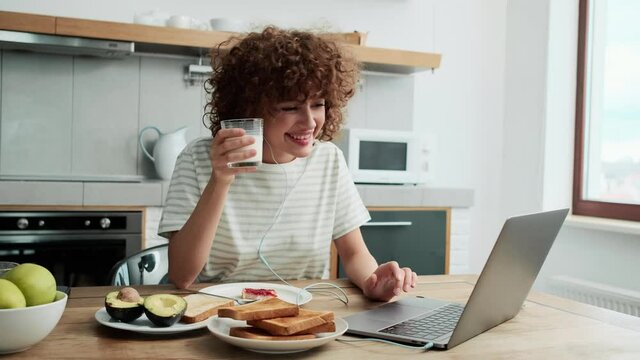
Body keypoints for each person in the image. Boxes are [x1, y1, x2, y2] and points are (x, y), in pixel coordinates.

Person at [158, 26, 416, 302]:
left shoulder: (328, 160)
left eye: (318, 104)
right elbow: (182, 276)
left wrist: (373, 281)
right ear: (250, 109)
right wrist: (220, 181)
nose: (310, 122)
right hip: (218, 312)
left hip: (300, 312)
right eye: (290, 107)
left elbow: (354, 253)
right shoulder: (199, 160)